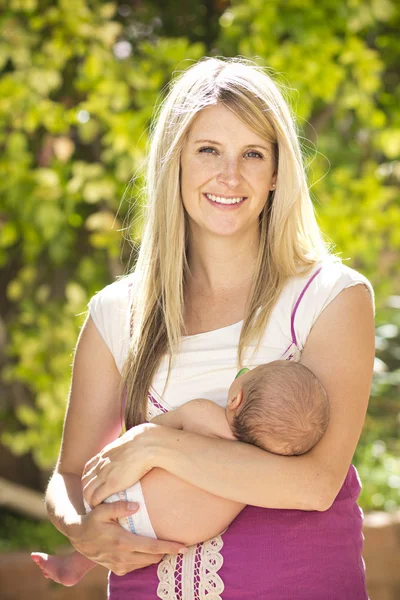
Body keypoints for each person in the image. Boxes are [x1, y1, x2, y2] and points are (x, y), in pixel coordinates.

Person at [43, 56, 375, 600]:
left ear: (275, 174)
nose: (230, 176)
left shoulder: (330, 297)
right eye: (208, 151)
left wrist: (157, 445)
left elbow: (315, 485)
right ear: (175, 163)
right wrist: (79, 528)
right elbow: (70, 475)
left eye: (252, 154)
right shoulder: (117, 312)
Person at [32, 360, 329, 586]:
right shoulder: (260, 470)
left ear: (236, 399)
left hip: (129, 499)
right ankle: (75, 565)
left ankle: (73, 563)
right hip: (175, 536)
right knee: (128, 527)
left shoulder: (203, 412)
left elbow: (146, 434)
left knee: (104, 510)